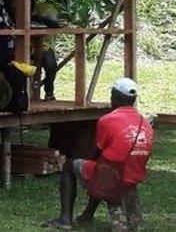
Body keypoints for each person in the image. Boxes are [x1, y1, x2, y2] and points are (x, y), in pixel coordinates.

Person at [44, 78, 155, 231]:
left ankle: (65, 219)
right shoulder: (146, 122)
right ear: (134, 99)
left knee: (73, 166)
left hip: (112, 177)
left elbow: (98, 151)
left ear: (113, 97)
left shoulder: (107, 120)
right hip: (133, 176)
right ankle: (87, 216)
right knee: (102, 166)